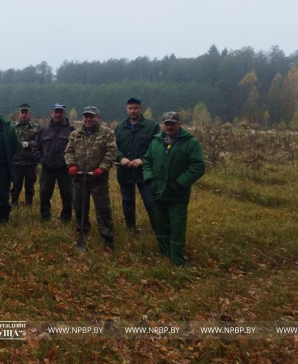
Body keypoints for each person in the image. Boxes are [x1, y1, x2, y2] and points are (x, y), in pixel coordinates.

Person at [142, 112, 205, 267]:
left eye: (172, 123)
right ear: (163, 125)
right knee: (161, 224)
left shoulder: (191, 143)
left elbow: (197, 167)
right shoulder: (156, 141)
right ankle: (164, 255)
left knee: (177, 226)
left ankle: (177, 261)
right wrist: (149, 177)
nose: (169, 126)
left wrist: (180, 183)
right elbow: (147, 161)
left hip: (178, 194)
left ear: (179, 124)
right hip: (158, 192)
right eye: (166, 123)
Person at [64, 107, 117, 251]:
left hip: (98, 179)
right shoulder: (75, 133)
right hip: (80, 178)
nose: (88, 119)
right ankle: (82, 229)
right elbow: (68, 151)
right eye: (86, 116)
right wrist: (72, 165)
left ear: (97, 117)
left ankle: (107, 236)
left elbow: (112, 153)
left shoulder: (107, 133)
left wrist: (102, 168)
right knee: (80, 206)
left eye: (91, 116)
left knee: (103, 208)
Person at [114, 97, 160, 232]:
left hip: (145, 171)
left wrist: (143, 159)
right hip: (125, 170)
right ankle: (130, 228)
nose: (132, 111)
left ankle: (158, 230)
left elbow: (157, 147)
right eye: (130, 108)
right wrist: (121, 157)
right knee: (127, 201)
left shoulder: (152, 126)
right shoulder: (119, 127)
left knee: (150, 201)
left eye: (135, 108)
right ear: (126, 109)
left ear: (141, 109)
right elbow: (113, 146)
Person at [32, 103, 75, 222]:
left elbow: (77, 148)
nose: (58, 114)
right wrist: (41, 160)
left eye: (60, 112)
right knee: (44, 193)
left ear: (64, 113)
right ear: (52, 113)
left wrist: (72, 163)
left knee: (68, 194)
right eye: (56, 112)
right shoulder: (44, 129)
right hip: (47, 168)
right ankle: (45, 216)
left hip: (64, 168)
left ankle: (66, 218)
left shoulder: (71, 130)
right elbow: (35, 147)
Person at [11, 103, 40, 206]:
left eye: (26, 112)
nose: (24, 115)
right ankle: (14, 206)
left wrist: (29, 144)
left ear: (30, 113)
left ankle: (29, 206)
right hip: (16, 162)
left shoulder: (36, 127)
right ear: (19, 113)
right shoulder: (12, 126)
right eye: (22, 112)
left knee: (30, 187)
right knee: (16, 186)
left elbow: (40, 142)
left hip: (31, 163)